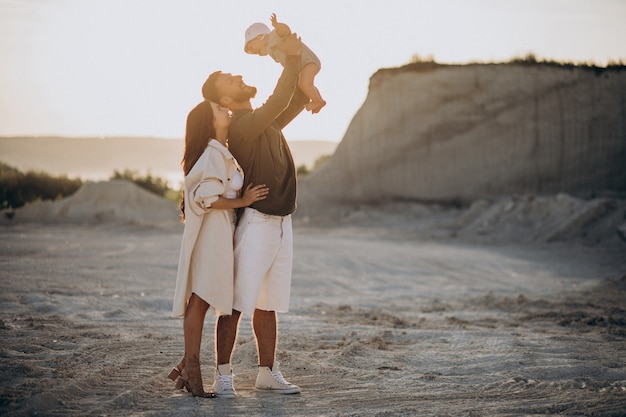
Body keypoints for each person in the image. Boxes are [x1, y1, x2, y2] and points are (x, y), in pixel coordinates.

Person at [201, 32, 308, 397]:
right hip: (258, 223)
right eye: (231, 81)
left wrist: (292, 54)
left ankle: (267, 373)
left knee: (269, 304)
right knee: (235, 304)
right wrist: (291, 58)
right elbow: (280, 99)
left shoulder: (265, 121)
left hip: (282, 222)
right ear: (227, 99)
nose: (239, 77)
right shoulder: (243, 127)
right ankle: (224, 377)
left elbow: (291, 100)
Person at [169, 100, 269, 397]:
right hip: (213, 233)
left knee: (202, 298)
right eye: (218, 109)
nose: (226, 110)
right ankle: (192, 369)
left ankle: (187, 366)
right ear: (209, 122)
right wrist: (243, 201)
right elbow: (205, 197)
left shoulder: (217, 150)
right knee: (200, 300)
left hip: (219, 232)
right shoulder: (213, 152)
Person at [244, 13, 326, 114]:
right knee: (306, 84)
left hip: (308, 61)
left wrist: (277, 25)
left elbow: (286, 30)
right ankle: (316, 100)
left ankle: (318, 101)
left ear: (260, 36)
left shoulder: (274, 36)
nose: (255, 51)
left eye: (252, 46)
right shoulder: (270, 50)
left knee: (304, 83)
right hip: (303, 65)